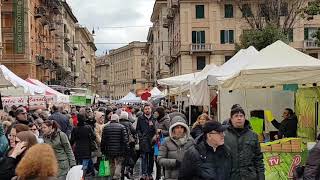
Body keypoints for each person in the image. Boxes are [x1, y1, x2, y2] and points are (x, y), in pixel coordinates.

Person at [224, 107, 265, 180]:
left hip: (249, 176)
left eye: (241, 116)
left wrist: (261, 177)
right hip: (230, 176)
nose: (239, 118)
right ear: (231, 119)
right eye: (236, 116)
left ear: (244, 118)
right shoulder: (224, 135)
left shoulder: (253, 135)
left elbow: (258, 159)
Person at [101, 114, 129, 180]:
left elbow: (103, 140)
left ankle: (111, 177)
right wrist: (127, 149)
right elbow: (125, 140)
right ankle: (116, 177)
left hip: (109, 150)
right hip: (119, 150)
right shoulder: (122, 127)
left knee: (111, 163)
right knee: (119, 163)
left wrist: (102, 149)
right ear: (117, 119)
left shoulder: (106, 127)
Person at [136, 104, 156, 180]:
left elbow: (156, 128)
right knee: (144, 158)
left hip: (152, 141)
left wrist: (155, 136)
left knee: (151, 158)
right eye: (146, 109)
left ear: (151, 109)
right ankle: (144, 173)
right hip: (143, 141)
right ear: (143, 110)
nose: (147, 110)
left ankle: (150, 173)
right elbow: (138, 129)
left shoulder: (154, 118)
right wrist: (141, 137)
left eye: (148, 109)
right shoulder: (140, 118)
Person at [119, 111, 136, 179]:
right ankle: (128, 170)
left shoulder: (118, 123)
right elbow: (134, 131)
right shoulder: (129, 123)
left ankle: (122, 174)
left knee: (121, 160)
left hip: (120, 143)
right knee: (130, 157)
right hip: (128, 143)